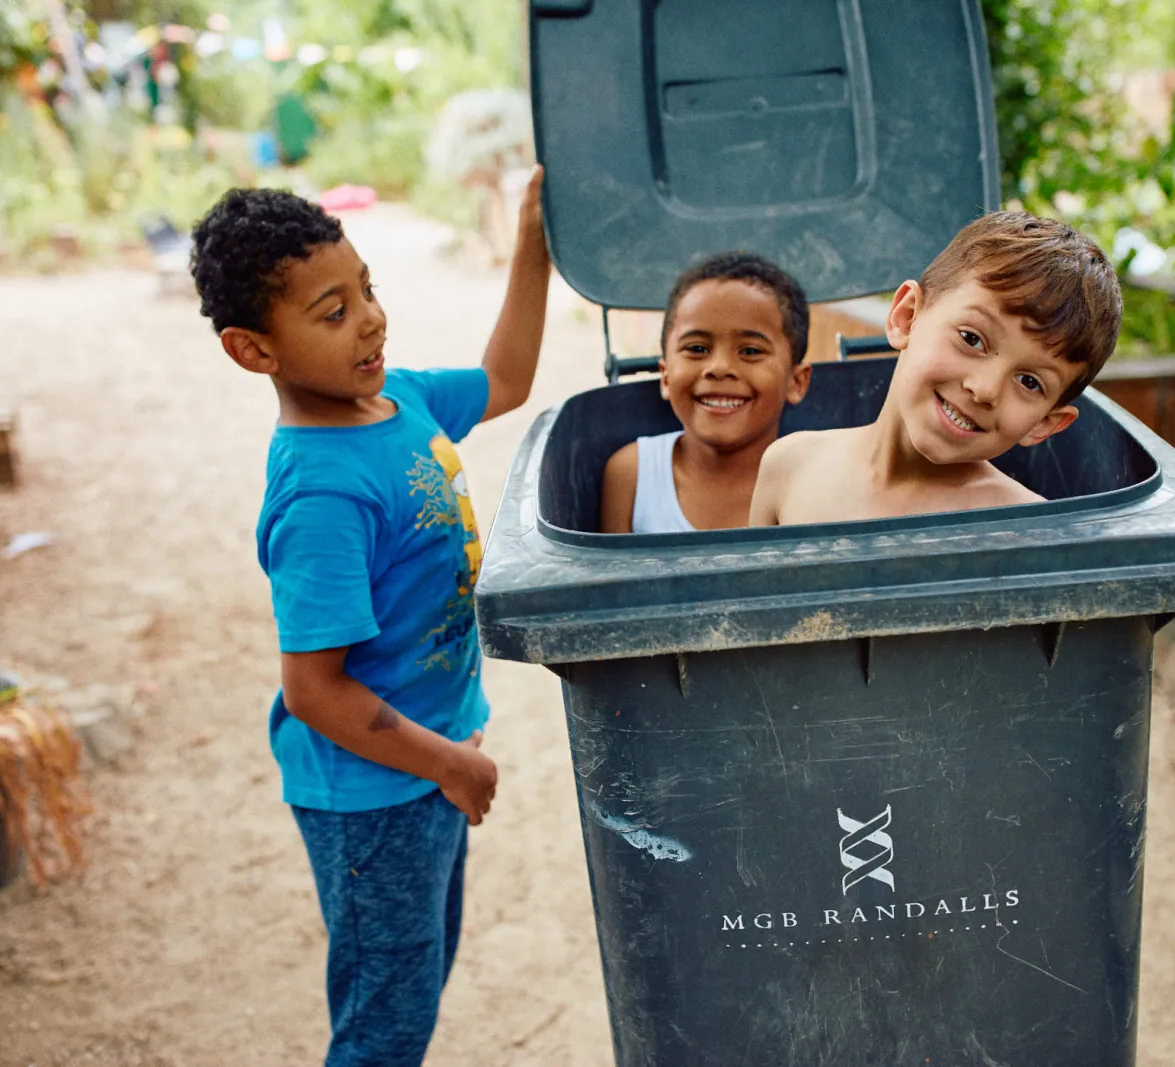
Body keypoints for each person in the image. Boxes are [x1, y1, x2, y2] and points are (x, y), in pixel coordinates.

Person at [188, 168, 550, 1066]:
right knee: (385, 1024)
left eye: (367, 289)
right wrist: (450, 763)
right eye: (333, 312)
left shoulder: (400, 400)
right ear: (253, 350)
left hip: (424, 766)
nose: (373, 320)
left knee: (414, 984)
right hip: (374, 796)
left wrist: (533, 244)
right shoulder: (322, 494)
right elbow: (313, 690)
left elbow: (505, 379)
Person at [750, 211, 1121, 527]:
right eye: (972, 339)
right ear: (907, 317)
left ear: (1044, 423)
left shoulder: (1027, 529)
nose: (985, 389)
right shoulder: (790, 466)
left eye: (1028, 381)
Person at [599, 251, 813, 533]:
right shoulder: (634, 473)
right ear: (665, 375)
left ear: (796, 382)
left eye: (750, 351)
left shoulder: (812, 483)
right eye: (697, 348)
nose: (720, 368)